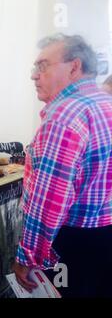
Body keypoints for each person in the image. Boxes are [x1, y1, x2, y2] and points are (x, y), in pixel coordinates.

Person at [12, 33, 112, 297]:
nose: (34, 75)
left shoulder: (65, 115)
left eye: (42, 65)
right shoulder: (105, 103)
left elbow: (49, 201)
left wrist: (28, 257)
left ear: (74, 66)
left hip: (75, 243)